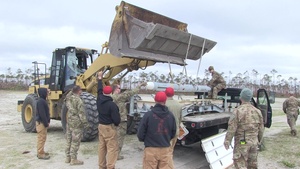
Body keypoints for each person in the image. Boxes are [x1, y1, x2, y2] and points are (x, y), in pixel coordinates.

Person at [223, 88, 264, 169]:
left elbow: (232, 128)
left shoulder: (238, 111)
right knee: (252, 165)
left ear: (241, 97)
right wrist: (258, 140)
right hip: (254, 143)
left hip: (242, 143)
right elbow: (261, 128)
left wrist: (227, 140)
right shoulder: (257, 111)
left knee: (240, 164)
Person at [137, 91, 176, 169]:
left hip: (151, 148)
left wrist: (146, 141)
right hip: (165, 148)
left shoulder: (148, 115)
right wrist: (165, 139)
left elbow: (140, 133)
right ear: (165, 101)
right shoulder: (171, 115)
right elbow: (173, 132)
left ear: (155, 100)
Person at [111, 82, 147, 160]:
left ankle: (111, 153)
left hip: (112, 121)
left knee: (113, 137)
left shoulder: (110, 97)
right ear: (116, 89)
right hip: (121, 121)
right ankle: (116, 155)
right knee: (120, 138)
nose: (121, 90)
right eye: (119, 88)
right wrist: (139, 85)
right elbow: (131, 92)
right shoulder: (120, 97)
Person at [97, 71, 120, 169]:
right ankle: (110, 166)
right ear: (111, 93)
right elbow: (116, 119)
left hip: (100, 126)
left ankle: (101, 166)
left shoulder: (99, 99)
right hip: (108, 127)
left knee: (102, 147)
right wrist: (116, 124)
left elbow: (99, 89)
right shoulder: (112, 105)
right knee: (111, 148)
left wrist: (99, 78)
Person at [64, 85, 89, 165]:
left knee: (68, 140)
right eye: (80, 90)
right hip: (77, 124)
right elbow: (81, 114)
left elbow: (67, 96)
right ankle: (73, 159)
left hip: (69, 122)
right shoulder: (79, 101)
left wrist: (72, 90)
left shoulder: (69, 98)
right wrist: (86, 124)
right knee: (75, 141)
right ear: (79, 91)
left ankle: (68, 157)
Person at [165, 87, 183, 168]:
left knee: (165, 152)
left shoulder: (164, 104)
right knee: (171, 150)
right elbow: (180, 119)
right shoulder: (179, 105)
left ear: (165, 93)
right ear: (173, 94)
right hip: (175, 131)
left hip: (166, 132)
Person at [35, 88, 50, 160]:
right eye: (46, 92)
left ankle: (41, 151)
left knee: (43, 138)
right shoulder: (41, 102)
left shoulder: (43, 101)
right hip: (41, 123)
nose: (47, 93)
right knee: (41, 138)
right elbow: (42, 114)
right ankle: (40, 153)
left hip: (42, 122)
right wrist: (46, 123)